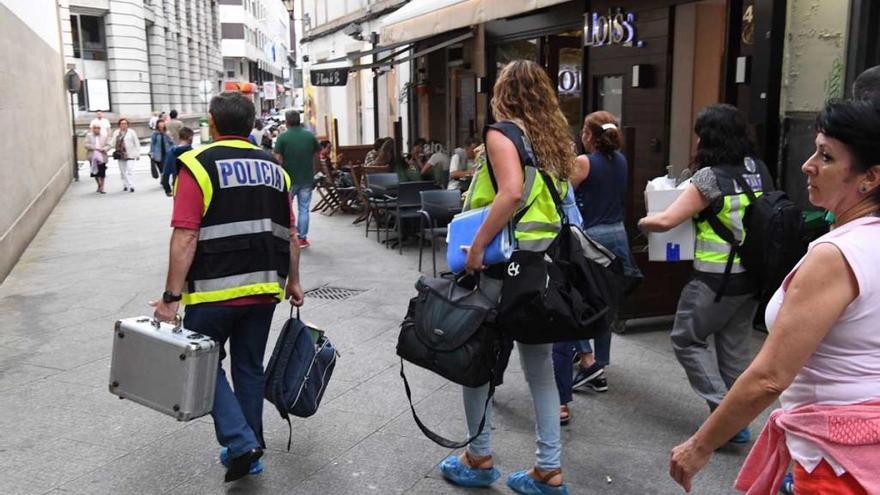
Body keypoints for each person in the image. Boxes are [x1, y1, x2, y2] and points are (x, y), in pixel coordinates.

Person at [668, 98, 880, 495]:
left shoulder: (835, 257)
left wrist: (700, 445)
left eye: (826, 156)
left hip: (832, 460)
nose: (808, 164)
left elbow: (769, 377)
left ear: (869, 178)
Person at [150, 91, 304, 483]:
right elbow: (290, 233)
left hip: (213, 291)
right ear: (252, 125)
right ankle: (249, 448)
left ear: (213, 125)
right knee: (249, 367)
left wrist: (170, 298)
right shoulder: (275, 169)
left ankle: (240, 441)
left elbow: (185, 236)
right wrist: (295, 282)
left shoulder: (197, 165)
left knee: (205, 364)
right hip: (265, 288)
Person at [442, 60, 576, 495]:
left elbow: (512, 191)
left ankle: (478, 457)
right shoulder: (554, 140)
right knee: (539, 369)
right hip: (540, 268)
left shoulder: (503, 133)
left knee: (477, 362)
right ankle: (548, 470)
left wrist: (478, 245)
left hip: (501, 265)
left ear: (504, 93)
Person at [639, 104, 773, 444]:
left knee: (686, 339)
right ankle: (738, 418)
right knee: (733, 352)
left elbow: (667, 220)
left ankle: (726, 417)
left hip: (714, 280)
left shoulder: (709, 177)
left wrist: (643, 221)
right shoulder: (759, 169)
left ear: (709, 137)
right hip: (752, 278)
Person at [552, 111, 643, 423]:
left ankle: (588, 362)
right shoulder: (621, 161)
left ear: (589, 135)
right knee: (605, 302)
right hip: (618, 234)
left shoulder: (584, 162)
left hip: (591, 235)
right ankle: (600, 361)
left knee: (579, 303)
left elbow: (565, 194)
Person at [273, 110, 320, 249]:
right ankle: (302, 238)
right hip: (306, 178)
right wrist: (315, 172)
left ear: (287, 122)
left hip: (288, 180)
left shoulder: (283, 138)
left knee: (286, 207)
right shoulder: (310, 136)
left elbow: (278, 159)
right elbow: (317, 155)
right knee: (304, 209)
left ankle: (289, 235)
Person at [162, 126, 193, 196]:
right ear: (190, 138)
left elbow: (166, 173)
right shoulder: (193, 152)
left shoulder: (171, 152)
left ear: (179, 137)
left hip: (177, 185)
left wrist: (167, 190)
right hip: (192, 185)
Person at [111, 118, 140, 192]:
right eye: (122, 124)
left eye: (125, 123)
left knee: (129, 170)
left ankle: (131, 185)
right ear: (119, 125)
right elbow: (113, 142)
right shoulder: (116, 132)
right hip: (120, 154)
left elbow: (136, 142)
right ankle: (125, 184)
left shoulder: (131, 132)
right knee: (122, 171)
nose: (123, 125)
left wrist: (137, 153)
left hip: (130, 154)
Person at [84, 122, 109, 193]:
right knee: (95, 172)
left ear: (100, 129)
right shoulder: (89, 136)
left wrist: (104, 149)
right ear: (92, 129)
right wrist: (94, 147)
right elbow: (86, 145)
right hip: (93, 156)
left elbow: (108, 145)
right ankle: (99, 184)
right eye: (95, 128)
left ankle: (102, 187)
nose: (96, 130)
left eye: (98, 128)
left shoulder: (104, 136)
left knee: (102, 172)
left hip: (102, 156)